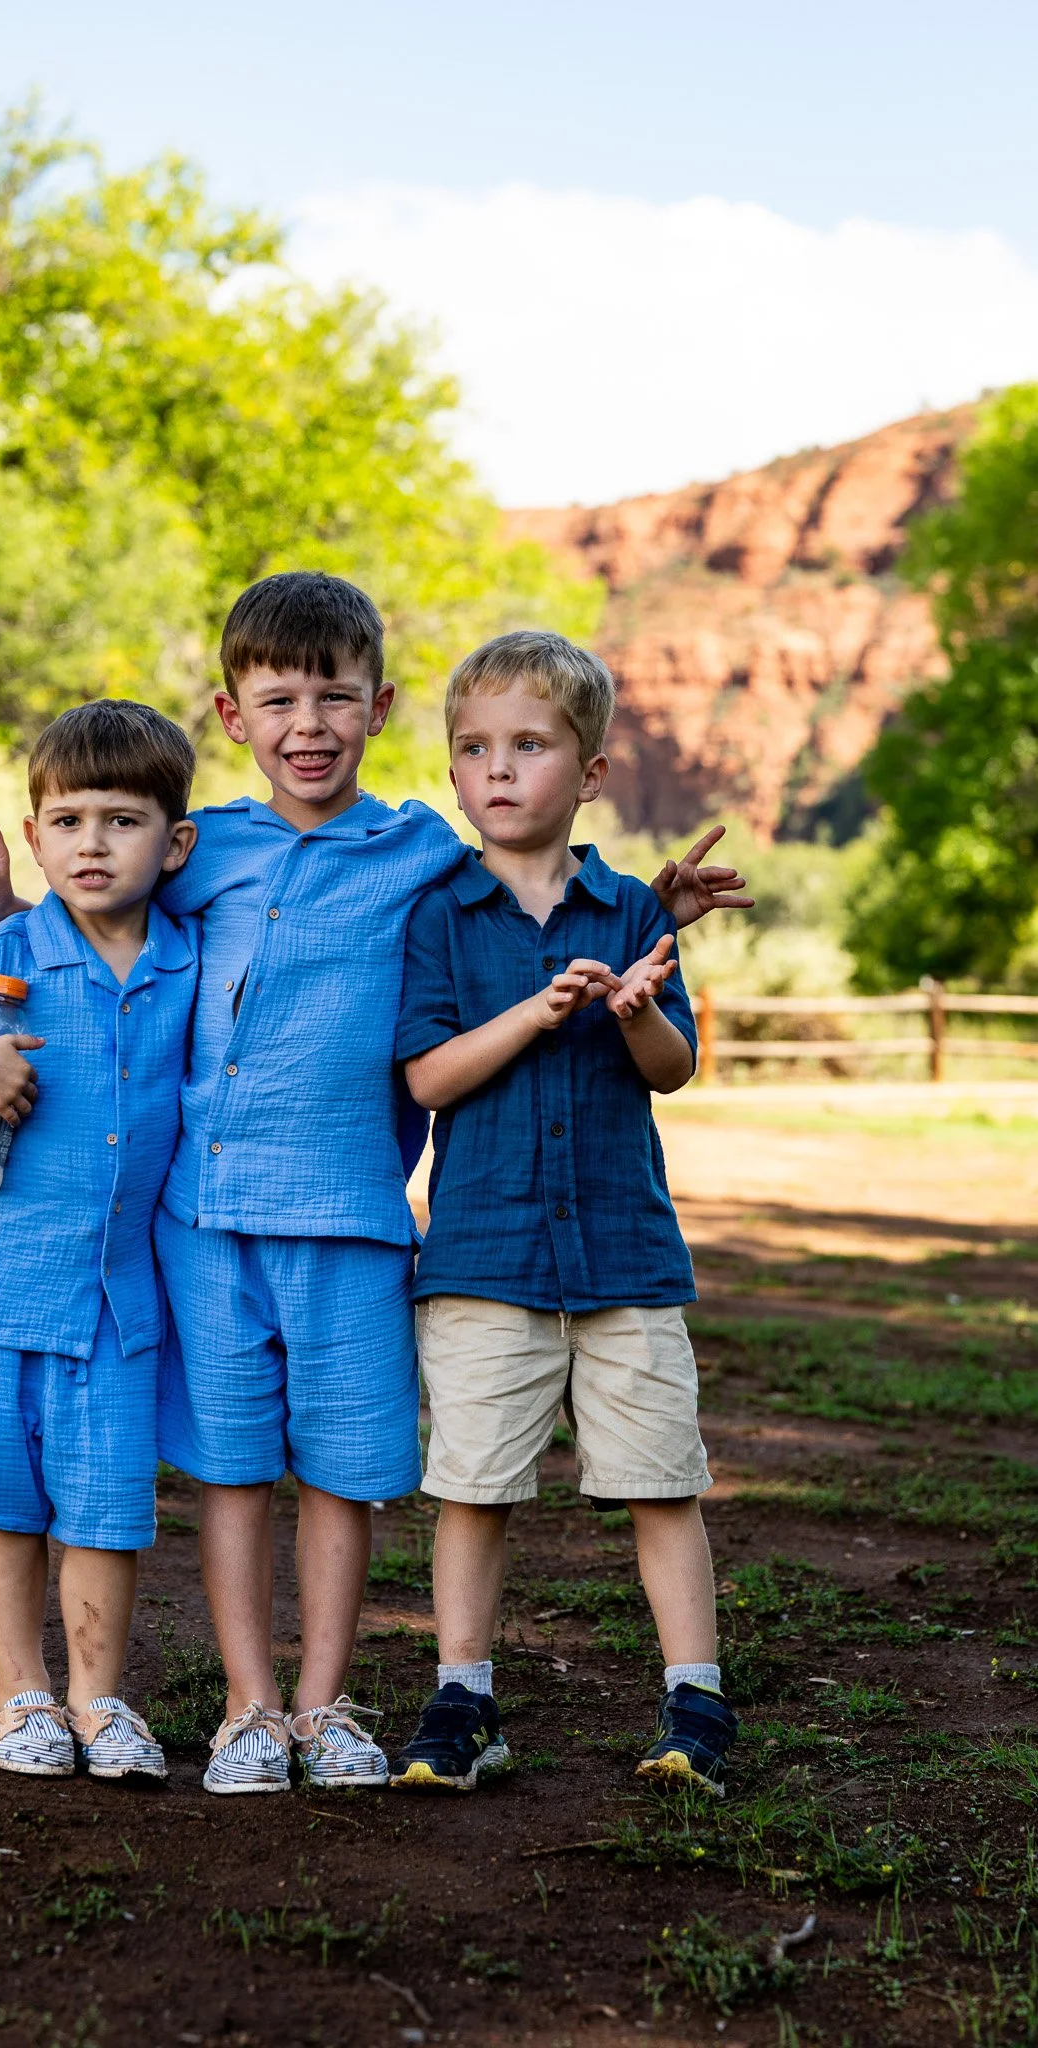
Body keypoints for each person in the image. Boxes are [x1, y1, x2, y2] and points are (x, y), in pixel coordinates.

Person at [0, 573, 750, 1798]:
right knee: (229, 1468)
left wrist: (649, 904)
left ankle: (324, 1701)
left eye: (334, 696)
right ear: (230, 713)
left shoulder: (420, 846)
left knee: (341, 1469)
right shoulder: (196, 845)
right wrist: (3, 907)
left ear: (376, 707)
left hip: (356, 1217)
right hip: (204, 1220)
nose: (306, 722)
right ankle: (248, 1708)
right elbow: (91, 913)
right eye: (277, 699)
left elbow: (525, 854)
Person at [388, 630, 740, 1797]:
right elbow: (428, 1077)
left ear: (588, 771)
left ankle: (695, 1697)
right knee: (472, 1484)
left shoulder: (631, 905)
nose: (495, 768)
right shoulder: (439, 912)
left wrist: (636, 999)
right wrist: (536, 1014)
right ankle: (463, 1699)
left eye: (528, 745)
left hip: (625, 1256)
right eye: (471, 747)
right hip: (482, 1254)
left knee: (658, 1477)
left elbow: (670, 1065)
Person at [0, 700, 199, 1780]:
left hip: (113, 1300)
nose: (91, 844)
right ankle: (19, 1692)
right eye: (65, 821)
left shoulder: (188, 960)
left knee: (105, 1507)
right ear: (33, 830)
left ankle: (98, 1696)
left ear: (173, 842)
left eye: (120, 820)